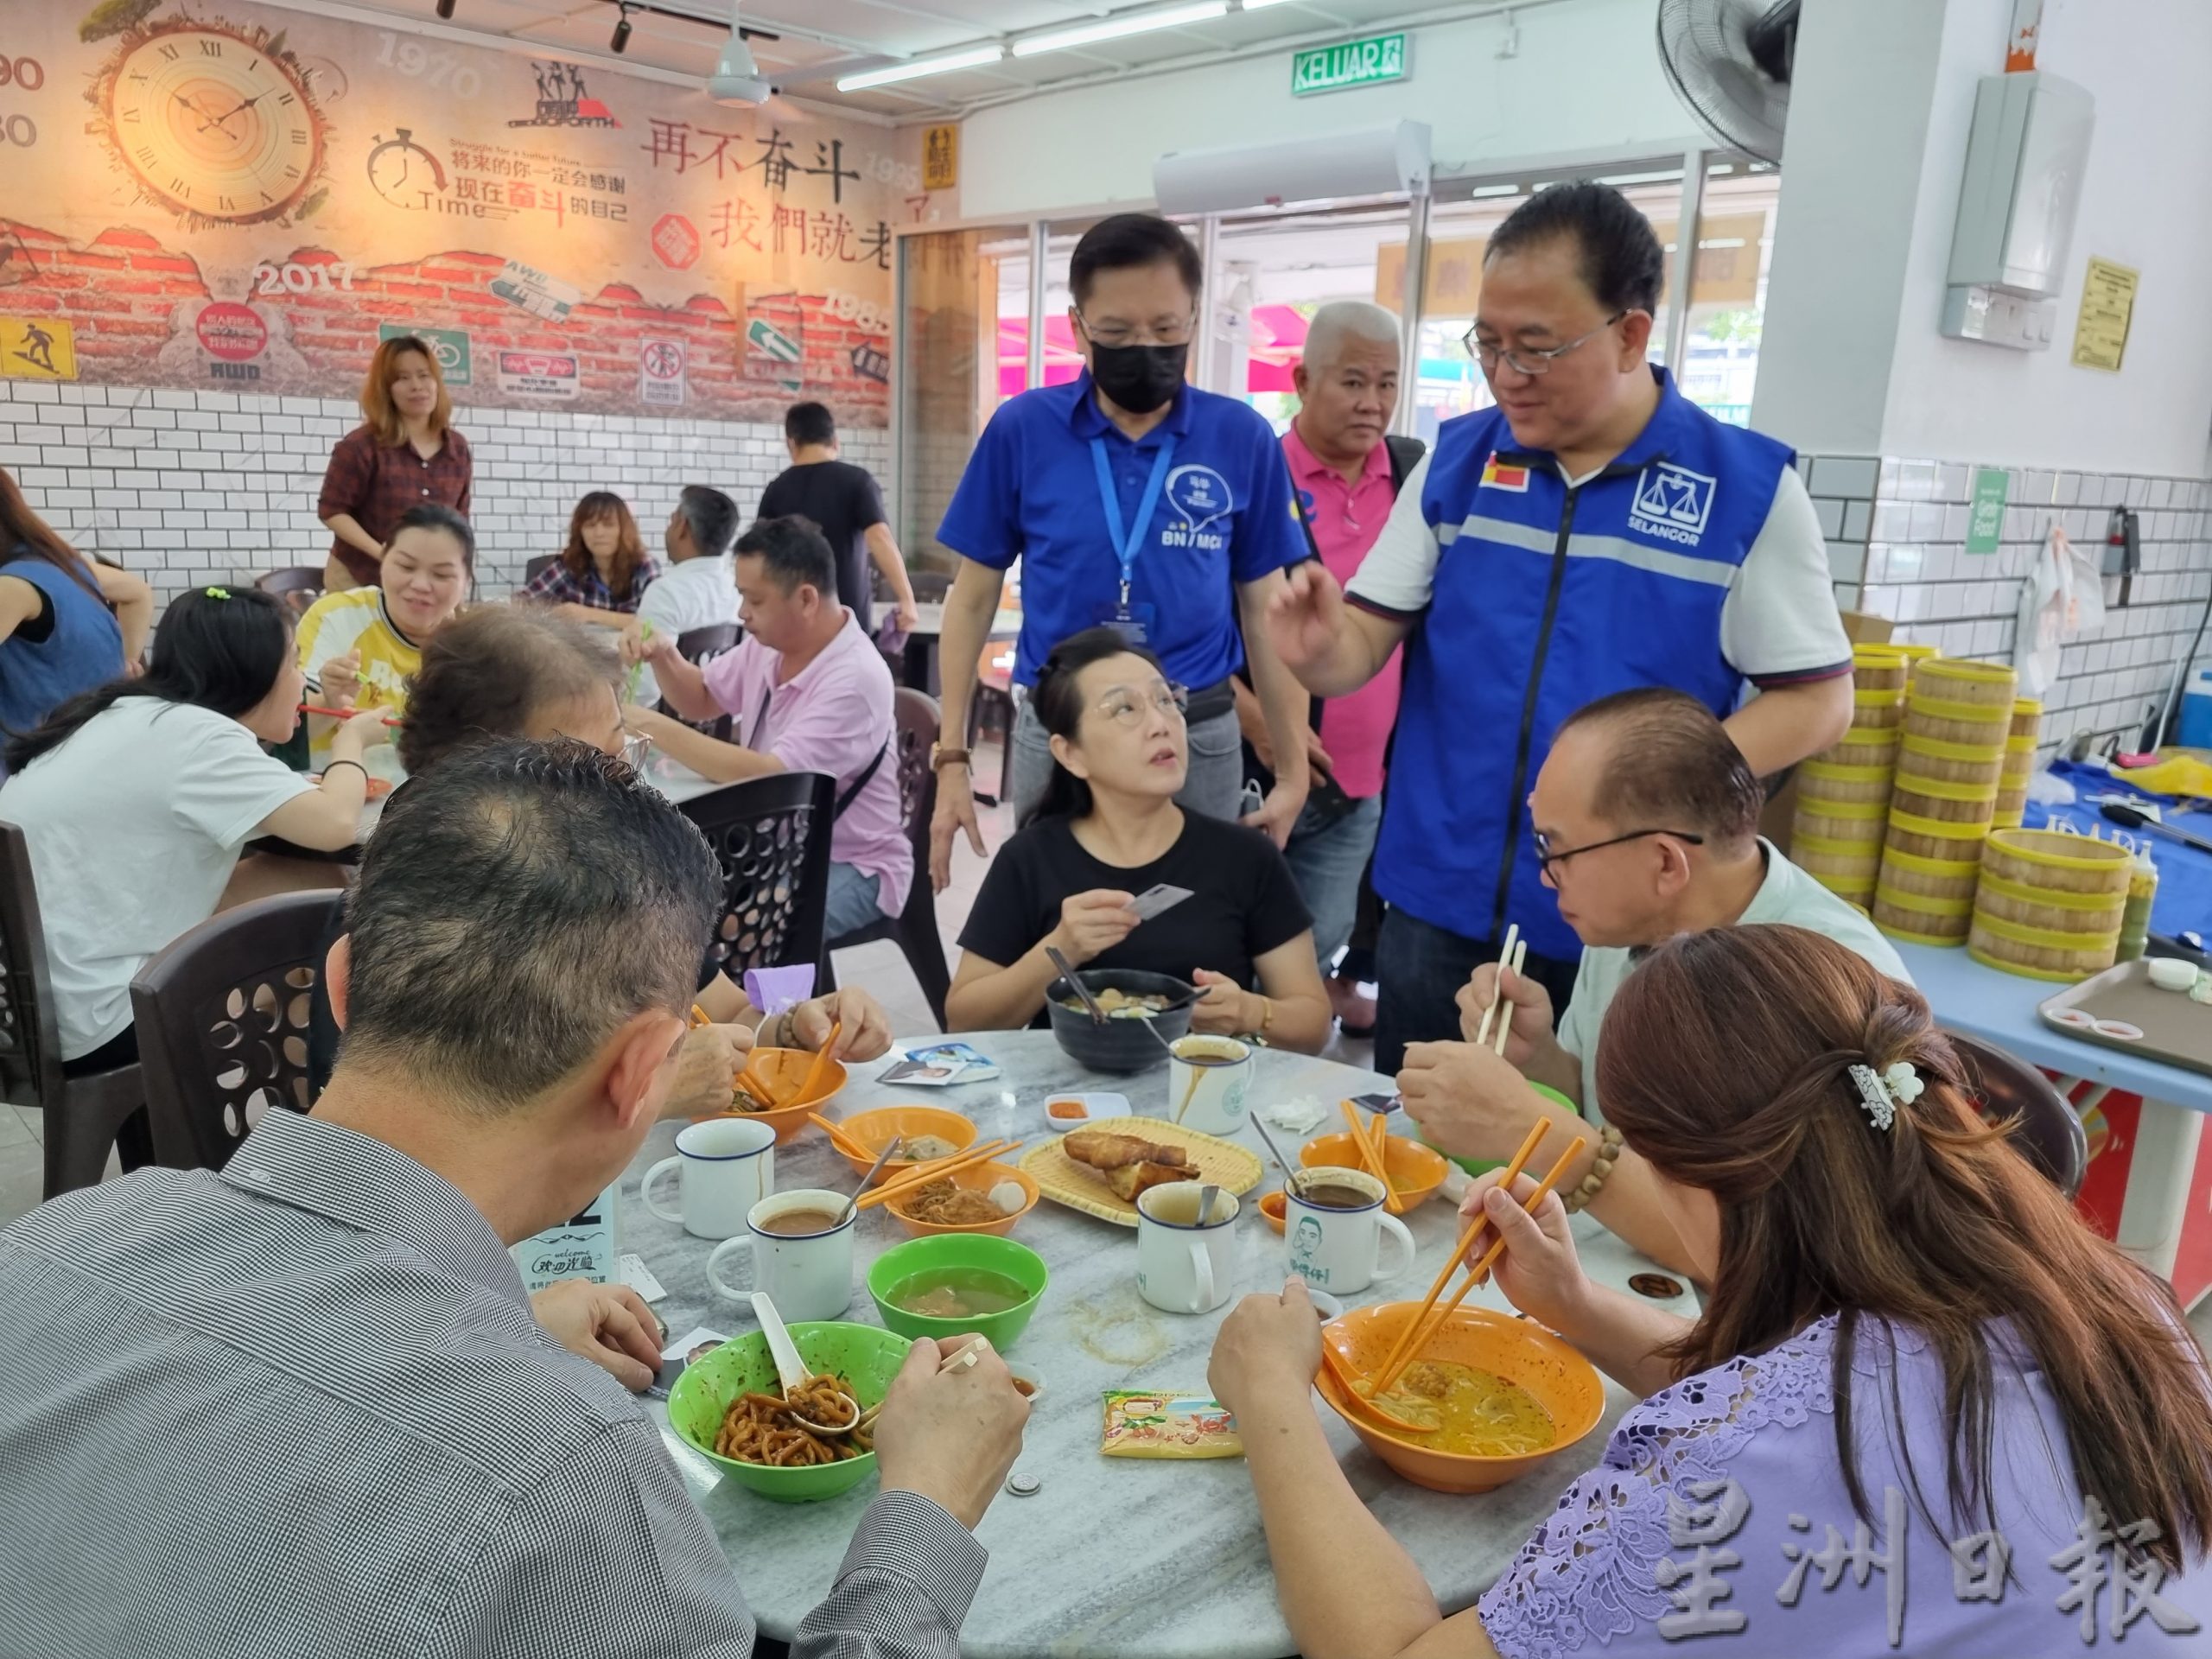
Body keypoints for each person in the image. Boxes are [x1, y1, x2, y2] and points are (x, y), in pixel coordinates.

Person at [0, 737, 1031, 1659]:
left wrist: (508, 1320)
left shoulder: (46, 1245)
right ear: (643, 1074)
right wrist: (927, 1508)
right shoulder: (567, 1483)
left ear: (345, 986)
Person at [1210, 925, 2212, 1658]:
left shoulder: (1747, 1461)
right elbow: (1796, 1403)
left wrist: (1271, 1398)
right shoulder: (2111, 1302)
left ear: (1709, 1175)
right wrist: (1574, 1303)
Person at [1264, 181, 1855, 1073]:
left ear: (1629, 333)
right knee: (1415, 1148)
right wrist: (1319, 652)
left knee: (1589, 1168)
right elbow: (1359, 646)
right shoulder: (1460, 463)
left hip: (1629, 916)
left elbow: (1816, 703)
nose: (1506, 376)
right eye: (1489, 346)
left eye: (1536, 348)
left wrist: (1650, 791)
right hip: (1440, 891)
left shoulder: (1743, 490)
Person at [1396, 687, 1909, 1270]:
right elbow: (1616, 1122)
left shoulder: (1829, 979)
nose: (1546, 878)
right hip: (1621, 1270)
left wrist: (1533, 1133)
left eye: (1555, 850)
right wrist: (1540, 1058)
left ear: (1666, 862)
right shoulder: (1633, 925)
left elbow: (1769, 1255)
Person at [300, 606, 889, 1100]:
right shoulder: (413, 921)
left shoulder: (614, 874)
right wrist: (649, 1092)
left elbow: (728, 1014)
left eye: (619, 751)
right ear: (474, 777)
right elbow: (419, 1150)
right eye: (584, 765)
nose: (621, 783)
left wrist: (795, 1025)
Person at [930, 213, 1314, 890]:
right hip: (1062, 734)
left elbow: (1267, 614)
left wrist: (1291, 772)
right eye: (1116, 334)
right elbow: (972, 599)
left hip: (1196, 734)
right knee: (1057, 932)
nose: (1145, 349)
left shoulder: (1242, 438)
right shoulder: (1024, 429)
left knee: (1197, 938)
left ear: (1195, 317)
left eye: (1167, 331)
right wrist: (953, 759)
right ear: (1077, 328)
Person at [0, 586, 375, 1098]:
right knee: (325, 932)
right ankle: (290, 1141)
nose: (301, 680)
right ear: (252, 672)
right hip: (100, 1020)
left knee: (308, 881)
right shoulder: (200, 738)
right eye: (295, 662)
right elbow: (336, 822)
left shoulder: (129, 713)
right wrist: (350, 740)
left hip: (40, 1010)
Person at [947, 626, 1330, 1051]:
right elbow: (963, 1022)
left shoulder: (1244, 856)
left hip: (1201, 1101)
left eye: (1166, 700)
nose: (1160, 724)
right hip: (1068, 1106)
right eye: (1124, 709)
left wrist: (1250, 1012)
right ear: (1070, 753)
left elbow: (1314, 1025)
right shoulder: (1031, 858)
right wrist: (1060, 948)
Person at [1236, 301, 1421, 1033]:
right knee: (1230, 951)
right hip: (1256, 767)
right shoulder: (1258, 474)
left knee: (1307, 964)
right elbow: (1197, 616)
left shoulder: (1415, 478)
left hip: (1363, 782)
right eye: (1352, 382)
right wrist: (1256, 717)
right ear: (1302, 379)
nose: (1372, 403)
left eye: (1387, 383)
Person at [630, 516, 911, 943]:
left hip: (852, 862)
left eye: (754, 600)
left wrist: (650, 723)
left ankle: (771, 1008)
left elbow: (770, 777)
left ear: (806, 599)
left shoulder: (855, 677)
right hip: (775, 846)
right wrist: (664, 656)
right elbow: (702, 697)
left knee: (737, 934)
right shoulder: (768, 647)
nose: (742, 614)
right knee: (663, 900)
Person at [296, 501, 473, 759]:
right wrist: (330, 700)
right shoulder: (335, 617)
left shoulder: (475, 643)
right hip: (333, 781)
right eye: (406, 567)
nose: (421, 585)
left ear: (466, 580)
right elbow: (289, 736)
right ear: (383, 560)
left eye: (442, 575)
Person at [0, 467, 143, 757]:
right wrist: (126, 663)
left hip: (40, 761)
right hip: (95, 747)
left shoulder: (11, 587)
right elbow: (137, 592)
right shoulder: (65, 564)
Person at [316, 334, 473, 593]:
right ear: (385, 389)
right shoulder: (360, 446)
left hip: (428, 584)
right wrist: (384, 554)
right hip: (361, 576)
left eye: (424, 375)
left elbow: (460, 518)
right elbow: (332, 511)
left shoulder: (457, 448)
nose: (417, 386)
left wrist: (458, 572)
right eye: (402, 378)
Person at [760, 401, 918, 637]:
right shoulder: (857, 481)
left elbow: (761, 556)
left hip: (793, 616)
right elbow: (880, 538)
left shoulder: (775, 490)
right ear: (835, 442)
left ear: (791, 443)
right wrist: (906, 599)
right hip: (847, 617)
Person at [628, 484, 741, 710]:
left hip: (667, 734)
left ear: (682, 526)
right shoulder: (738, 587)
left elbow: (646, 691)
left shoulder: (665, 592)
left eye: (672, 520)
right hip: (725, 723)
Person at [518, 490, 660, 631]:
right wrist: (554, 613)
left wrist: (588, 614)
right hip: (580, 651)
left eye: (608, 525)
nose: (599, 533)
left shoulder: (645, 566)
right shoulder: (568, 566)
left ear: (624, 530)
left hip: (633, 651)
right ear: (580, 532)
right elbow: (521, 602)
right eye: (590, 525)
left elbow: (655, 621)